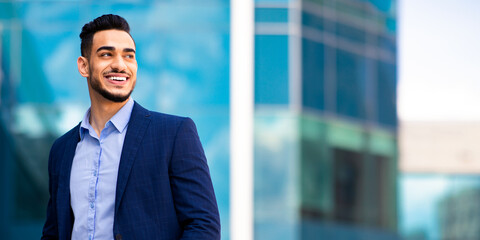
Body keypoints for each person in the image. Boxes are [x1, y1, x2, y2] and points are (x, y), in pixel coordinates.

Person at [41, 14, 220, 240]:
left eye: (129, 56)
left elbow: (203, 226)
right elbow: (54, 232)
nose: (120, 64)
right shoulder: (62, 150)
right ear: (84, 66)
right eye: (106, 54)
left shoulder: (173, 134)